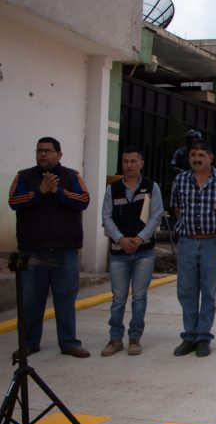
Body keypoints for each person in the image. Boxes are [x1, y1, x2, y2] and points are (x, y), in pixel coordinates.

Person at [8, 136, 91, 358]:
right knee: (31, 302)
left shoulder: (72, 176)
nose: (43, 154)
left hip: (65, 251)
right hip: (33, 251)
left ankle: (69, 343)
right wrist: (39, 191)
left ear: (59, 154)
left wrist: (58, 191)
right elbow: (14, 202)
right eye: (39, 151)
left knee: (65, 300)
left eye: (48, 150)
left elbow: (83, 200)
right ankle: (29, 343)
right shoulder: (24, 176)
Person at [170, 139, 216, 358]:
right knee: (186, 290)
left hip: (212, 243)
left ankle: (203, 337)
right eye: (193, 155)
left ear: (211, 157)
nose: (196, 159)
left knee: (209, 291)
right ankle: (189, 336)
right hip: (187, 242)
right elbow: (177, 209)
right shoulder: (180, 180)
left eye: (201, 155)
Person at [100, 146, 163, 357]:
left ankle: (135, 338)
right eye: (125, 161)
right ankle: (115, 339)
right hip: (118, 253)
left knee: (139, 297)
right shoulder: (113, 189)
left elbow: (156, 216)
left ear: (141, 163)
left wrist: (139, 238)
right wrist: (120, 239)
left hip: (144, 252)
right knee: (118, 297)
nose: (128, 165)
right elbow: (106, 218)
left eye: (133, 161)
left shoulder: (151, 188)